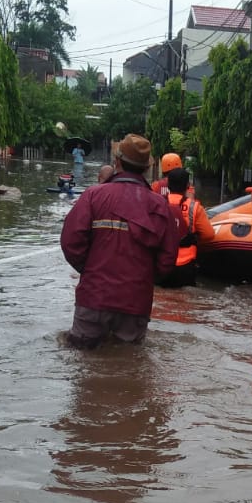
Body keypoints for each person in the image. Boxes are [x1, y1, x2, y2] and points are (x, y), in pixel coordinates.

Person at [60, 133, 180, 348]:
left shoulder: (93, 196)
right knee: (130, 361)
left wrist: (91, 271)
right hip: (135, 302)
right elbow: (168, 258)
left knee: (81, 359)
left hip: (94, 297)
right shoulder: (160, 206)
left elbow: (70, 241)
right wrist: (143, 279)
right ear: (147, 167)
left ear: (117, 162)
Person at [159, 166, 215, 288]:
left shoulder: (157, 203)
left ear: (168, 185)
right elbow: (209, 235)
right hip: (185, 266)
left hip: (160, 264)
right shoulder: (195, 207)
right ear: (188, 185)